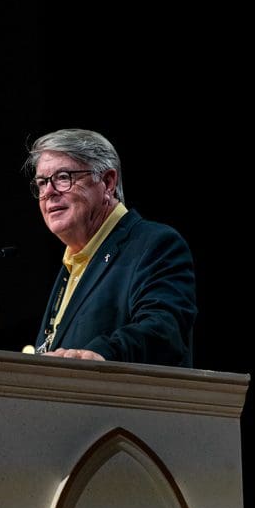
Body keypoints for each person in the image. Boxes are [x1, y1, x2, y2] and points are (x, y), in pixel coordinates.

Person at [22, 128, 197, 366]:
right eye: (42, 182)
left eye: (63, 177)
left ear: (107, 182)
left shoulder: (154, 244)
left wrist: (101, 353)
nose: (49, 192)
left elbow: (164, 329)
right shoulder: (72, 263)